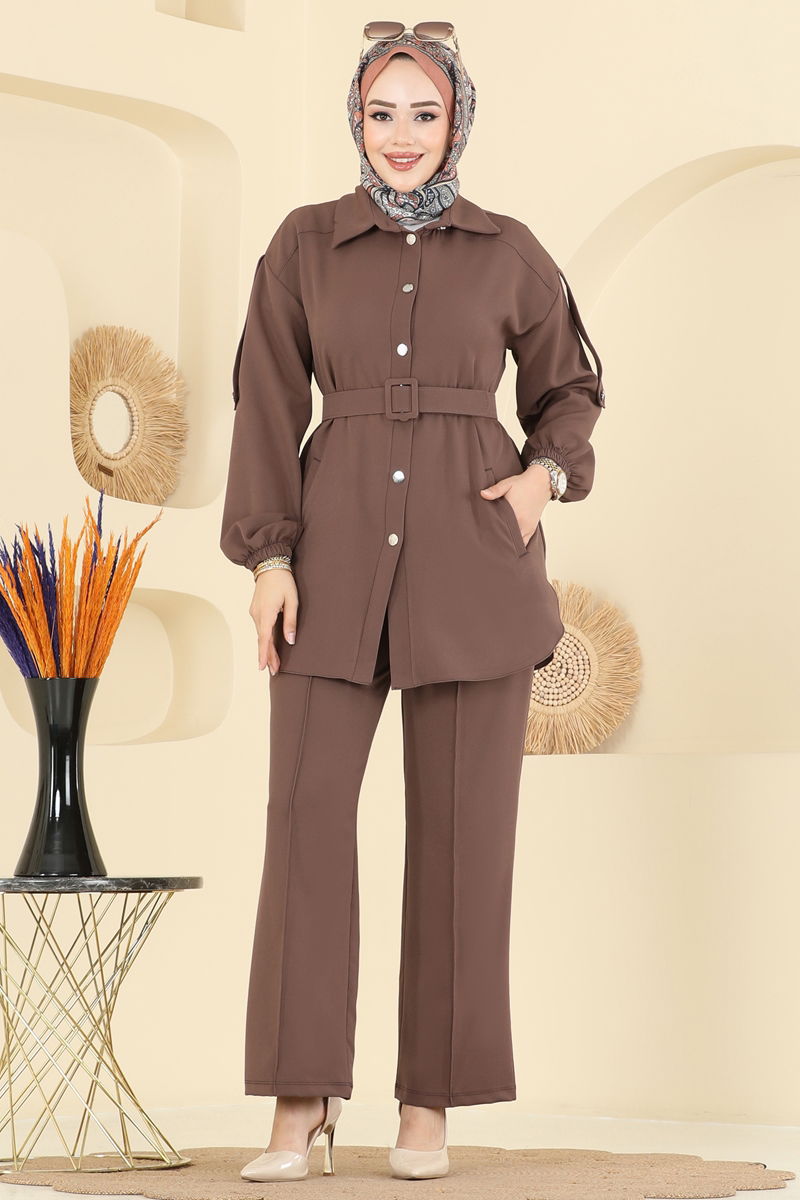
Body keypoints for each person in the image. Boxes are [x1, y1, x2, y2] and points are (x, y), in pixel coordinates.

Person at [221, 21, 605, 1184]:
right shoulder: (301, 245)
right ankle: (299, 1101)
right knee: (302, 824)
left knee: (459, 841)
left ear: (455, 121)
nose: (400, 135)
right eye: (380, 112)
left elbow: (569, 389)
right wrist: (267, 559)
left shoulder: (508, 251)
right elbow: (264, 403)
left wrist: (541, 483)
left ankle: (427, 1104)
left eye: (422, 113)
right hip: (328, 565)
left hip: (470, 567)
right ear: (354, 117)